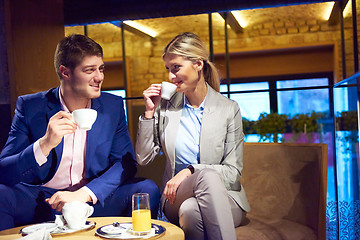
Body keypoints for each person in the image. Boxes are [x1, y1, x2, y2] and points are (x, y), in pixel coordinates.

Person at [0, 34, 160, 231]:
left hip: (89, 200)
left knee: (146, 189)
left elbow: (125, 162)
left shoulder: (112, 105)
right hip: (44, 201)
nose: (99, 77)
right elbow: (4, 171)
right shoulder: (31, 106)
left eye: (101, 69)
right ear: (65, 72)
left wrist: (84, 193)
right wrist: (44, 144)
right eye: (89, 70)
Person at [136, 32, 251, 240]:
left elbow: (233, 172)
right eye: (168, 69)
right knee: (198, 187)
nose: (171, 76)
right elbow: (143, 158)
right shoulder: (166, 108)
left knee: (191, 211)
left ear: (198, 64)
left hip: (226, 197)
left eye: (176, 68)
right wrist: (149, 113)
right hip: (176, 196)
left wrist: (190, 170)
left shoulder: (228, 109)